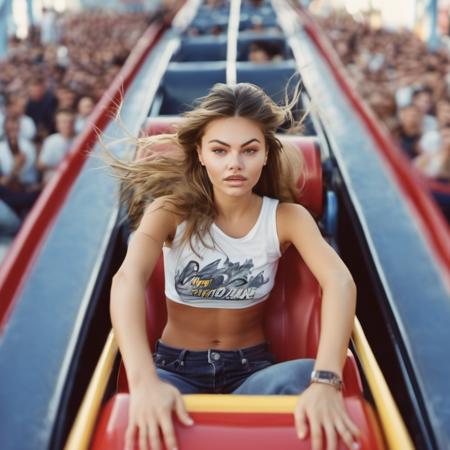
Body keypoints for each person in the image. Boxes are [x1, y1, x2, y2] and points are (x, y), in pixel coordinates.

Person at [109, 83, 359, 450]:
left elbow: (340, 281)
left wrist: (325, 381)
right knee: (134, 425)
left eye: (249, 150)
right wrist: (145, 381)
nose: (234, 164)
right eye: (220, 150)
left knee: (311, 379)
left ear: (266, 156)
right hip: (174, 370)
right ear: (201, 153)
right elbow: (128, 278)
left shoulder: (287, 217)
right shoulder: (168, 211)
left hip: (253, 371)